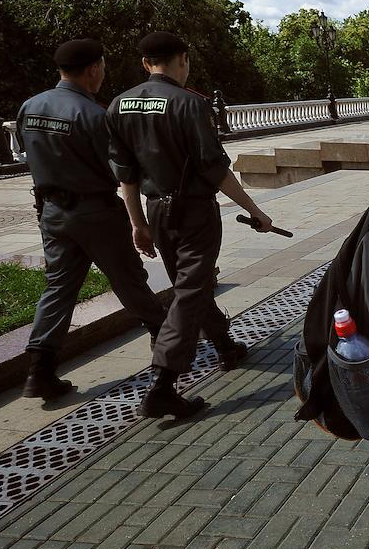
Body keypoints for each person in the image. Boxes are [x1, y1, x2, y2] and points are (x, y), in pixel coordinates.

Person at [106, 32, 273, 419]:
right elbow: (215, 169)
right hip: (194, 212)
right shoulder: (190, 104)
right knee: (189, 290)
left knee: (190, 285)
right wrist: (256, 211)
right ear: (183, 59)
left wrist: (137, 224)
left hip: (156, 211)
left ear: (146, 64)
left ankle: (224, 345)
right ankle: (163, 383)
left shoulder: (117, 106)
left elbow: (125, 176)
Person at [16, 39, 166, 400]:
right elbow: (120, 170)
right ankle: (166, 344)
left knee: (58, 288)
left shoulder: (29, 107)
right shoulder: (93, 115)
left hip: (52, 213)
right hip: (95, 212)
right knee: (129, 280)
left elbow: (26, 154)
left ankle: (39, 371)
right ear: (93, 69)